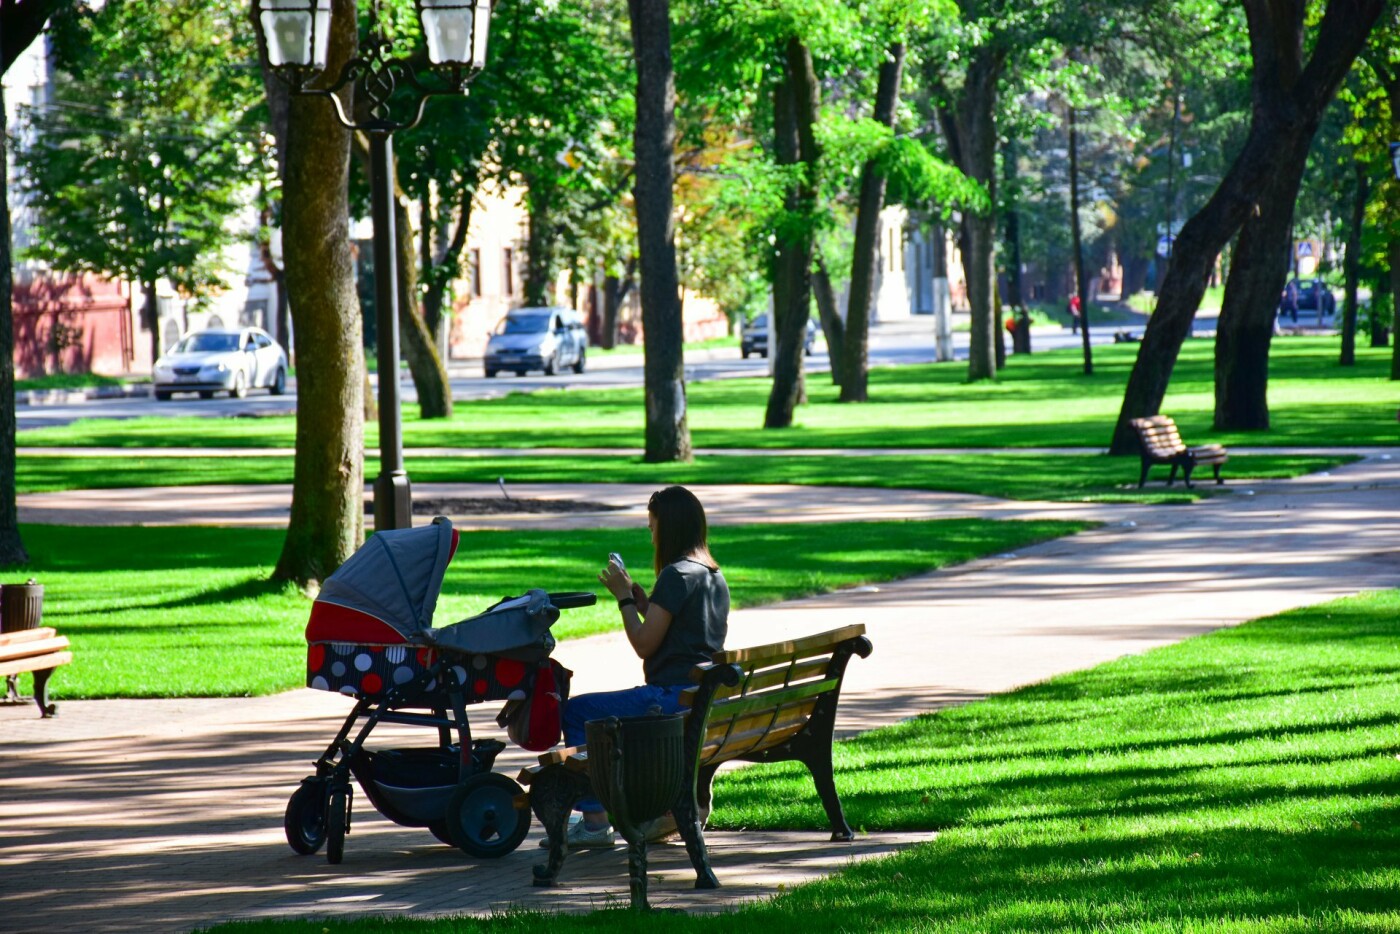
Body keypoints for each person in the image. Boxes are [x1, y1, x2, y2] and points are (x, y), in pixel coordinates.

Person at [557, 485, 730, 848]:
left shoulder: (676, 575)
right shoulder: (712, 574)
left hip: (671, 700)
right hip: (701, 698)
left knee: (577, 712)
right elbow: (681, 633)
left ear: (669, 528)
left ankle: (594, 823)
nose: (651, 535)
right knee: (590, 711)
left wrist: (622, 599)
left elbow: (644, 644)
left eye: (652, 527)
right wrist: (643, 604)